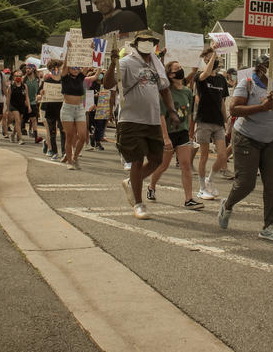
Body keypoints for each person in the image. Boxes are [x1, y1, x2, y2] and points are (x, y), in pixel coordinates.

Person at [217, 54, 273, 242]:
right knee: (246, 183)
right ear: (260, 67)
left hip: (272, 140)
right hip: (247, 138)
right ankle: (227, 205)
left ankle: (269, 226)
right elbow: (234, 109)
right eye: (272, 65)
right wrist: (261, 107)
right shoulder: (247, 84)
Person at [102, 32, 181, 220]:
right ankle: (138, 203)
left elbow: (164, 89)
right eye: (143, 41)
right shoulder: (127, 63)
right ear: (136, 44)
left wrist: (172, 111)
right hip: (131, 119)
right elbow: (107, 83)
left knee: (156, 160)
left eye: (151, 41)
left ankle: (131, 181)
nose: (147, 44)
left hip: (152, 120)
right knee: (136, 160)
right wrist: (113, 63)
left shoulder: (157, 63)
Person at [146, 60, 204, 210]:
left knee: (186, 165)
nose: (181, 70)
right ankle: (151, 186)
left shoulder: (187, 91)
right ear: (171, 74)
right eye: (177, 69)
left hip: (182, 133)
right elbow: (161, 116)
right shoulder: (165, 93)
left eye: (181, 68)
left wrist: (190, 132)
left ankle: (189, 199)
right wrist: (165, 138)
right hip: (169, 133)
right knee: (163, 165)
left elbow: (190, 114)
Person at [194, 43, 231, 201]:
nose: (214, 60)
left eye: (215, 57)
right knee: (204, 155)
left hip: (217, 121)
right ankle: (202, 187)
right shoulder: (200, 76)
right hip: (204, 120)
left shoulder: (221, 79)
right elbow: (206, 73)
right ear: (205, 59)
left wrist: (226, 119)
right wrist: (214, 53)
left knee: (222, 156)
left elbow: (222, 101)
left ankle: (210, 179)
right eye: (209, 58)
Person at [61, 44, 93, 169]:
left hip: (79, 108)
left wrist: (90, 49)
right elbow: (65, 65)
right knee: (69, 136)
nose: (75, 69)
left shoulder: (81, 77)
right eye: (73, 67)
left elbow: (87, 63)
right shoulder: (64, 77)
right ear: (69, 69)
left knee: (83, 136)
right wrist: (69, 49)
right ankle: (69, 162)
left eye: (77, 67)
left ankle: (75, 157)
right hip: (67, 108)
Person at [7, 69, 32, 145]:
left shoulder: (24, 86)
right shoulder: (11, 87)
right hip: (14, 105)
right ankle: (20, 138)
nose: (18, 77)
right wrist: (8, 109)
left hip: (21, 105)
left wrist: (29, 106)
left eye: (20, 76)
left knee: (19, 122)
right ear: (14, 77)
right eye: (16, 76)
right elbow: (8, 98)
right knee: (17, 120)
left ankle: (13, 134)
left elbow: (27, 96)